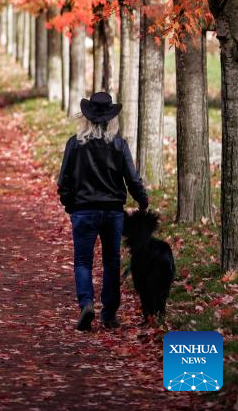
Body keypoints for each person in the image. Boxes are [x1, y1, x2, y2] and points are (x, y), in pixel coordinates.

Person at [57, 91, 149, 331]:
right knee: (111, 262)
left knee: (83, 262)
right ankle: (109, 314)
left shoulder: (74, 144)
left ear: (86, 117)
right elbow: (132, 179)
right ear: (110, 119)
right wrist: (142, 201)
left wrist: (70, 205)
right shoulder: (119, 145)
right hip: (112, 213)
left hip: (83, 212)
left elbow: (63, 181)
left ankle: (87, 304)